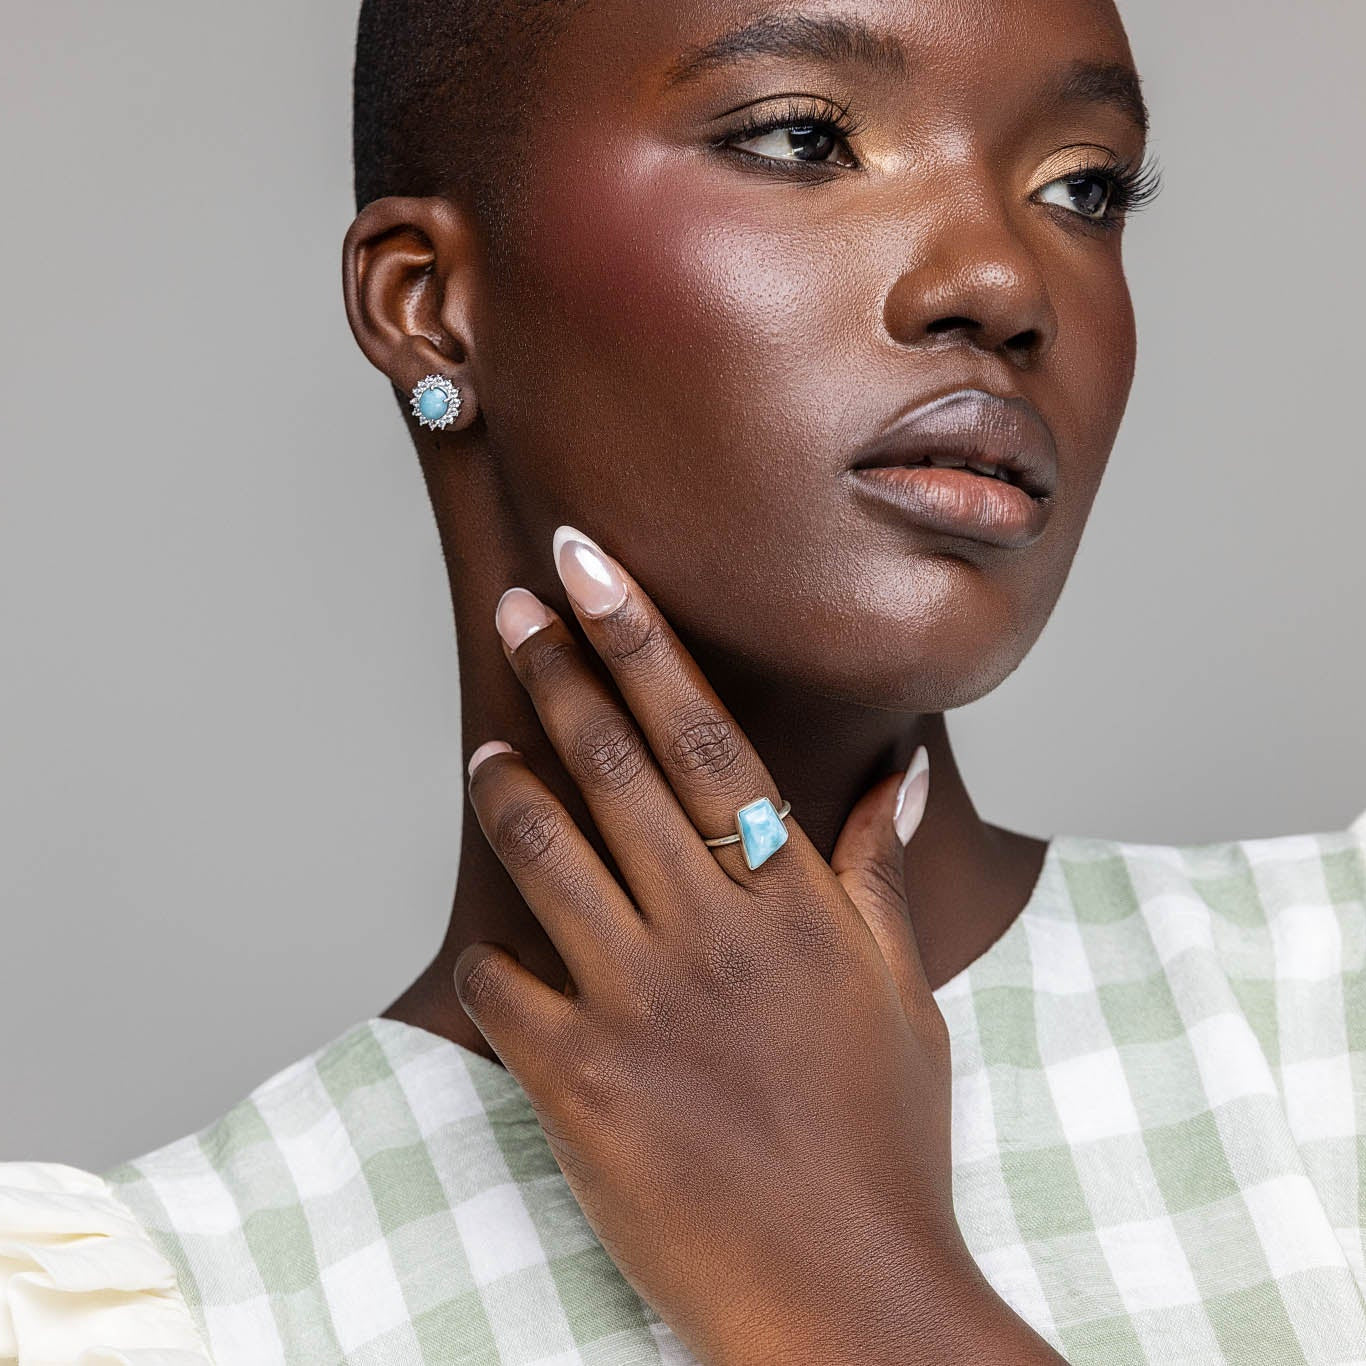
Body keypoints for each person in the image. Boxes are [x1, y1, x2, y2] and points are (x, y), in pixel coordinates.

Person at [3, 0, 1363, 1362]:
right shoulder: (161, 1309)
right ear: (427, 307)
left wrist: (848, 1278)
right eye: (803, 138)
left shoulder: (1328, 996)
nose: (1002, 285)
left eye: (1082, 188)